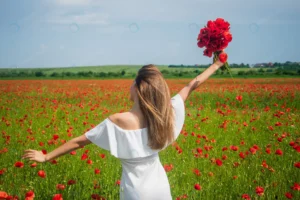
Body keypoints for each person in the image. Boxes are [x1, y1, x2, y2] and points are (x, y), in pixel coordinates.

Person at [21, 54, 225, 200]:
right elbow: (191, 86)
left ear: (138, 88)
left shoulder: (118, 120)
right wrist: (216, 64)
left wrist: (46, 156)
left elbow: (79, 141)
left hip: (135, 192)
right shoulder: (164, 115)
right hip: (160, 189)